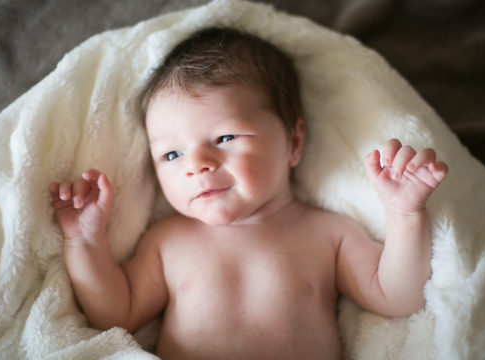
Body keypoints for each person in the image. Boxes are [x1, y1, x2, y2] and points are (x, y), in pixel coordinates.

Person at [49, 27, 448, 359]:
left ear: (293, 143)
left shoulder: (328, 234)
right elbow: (115, 312)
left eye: (224, 137)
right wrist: (85, 241)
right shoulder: (168, 241)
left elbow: (399, 297)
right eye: (172, 153)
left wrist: (404, 214)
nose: (197, 164)